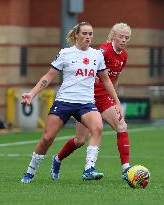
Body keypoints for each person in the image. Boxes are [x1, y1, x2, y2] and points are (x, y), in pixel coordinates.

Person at [20, 22, 123, 183]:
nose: (88, 37)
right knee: (47, 138)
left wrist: (116, 102)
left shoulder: (97, 55)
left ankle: (89, 168)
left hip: (86, 104)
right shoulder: (65, 53)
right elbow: (48, 76)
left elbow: (107, 81)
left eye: (90, 34)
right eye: (85, 34)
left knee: (97, 127)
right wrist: (32, 94)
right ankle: (30, 171)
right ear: (76, 35)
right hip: (64, 101)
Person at [51, 23, 132, 181]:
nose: (123, 40)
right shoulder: (103, 51)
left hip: (103, 98)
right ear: (113, 36)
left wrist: (114, 100)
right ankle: (57, 159)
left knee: (122, 126)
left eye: (127, 38)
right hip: (87, 98)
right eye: (121, 36)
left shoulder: (123, 56)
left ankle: (125, 169)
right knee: (80, 140)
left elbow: (113, 79)